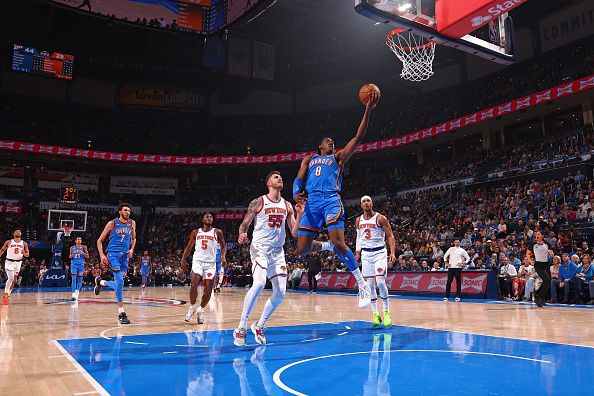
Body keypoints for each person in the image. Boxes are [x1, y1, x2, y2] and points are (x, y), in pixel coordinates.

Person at [293, 91, 380, 309]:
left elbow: (358, 137)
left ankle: (362, 285)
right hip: (312, 203)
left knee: (340, 242)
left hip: (331, 200)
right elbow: (298, 178)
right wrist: (296, 192)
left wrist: (368, 109)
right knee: (301, 250)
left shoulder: (338, 157)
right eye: (327, 141)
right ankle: (327, 246)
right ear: (320, 146)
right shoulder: (309, 159)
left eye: (332, 141)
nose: (331, 142)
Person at [233, 171, 331, 346]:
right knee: (259, 283)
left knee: (281, 293)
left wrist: (300, 213)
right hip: (260, 249)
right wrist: (241, 234)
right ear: (268, 182)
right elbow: (245, 223)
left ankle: (259, 325)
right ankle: (241, 327)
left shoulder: (287, 205)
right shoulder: (259, 201)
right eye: (275, 177)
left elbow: (294, 232)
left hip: (277, 252)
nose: (280, 179)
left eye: (281, 177)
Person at [354, 195, 396, 327]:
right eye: (363, 201)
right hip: (366, 255)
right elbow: (359, 238)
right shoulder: (358, 220)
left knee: (381, 283)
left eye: (368, 201)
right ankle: (375, 315)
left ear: (372, 203)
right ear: (361, 205)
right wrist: (357, 252)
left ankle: (386, 312)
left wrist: (393, 253)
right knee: (370, 286)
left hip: (379, 253)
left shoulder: (380, 218)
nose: (366, 203)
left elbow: (390, 236)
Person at [94, 203, 136, 324]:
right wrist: (102, 255)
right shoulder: (112, 223)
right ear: (119, 212)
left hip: (125, 257)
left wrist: (132, 249)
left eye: (129, 211)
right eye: (125, 210)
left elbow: (134, 238)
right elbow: (99, 241)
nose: (128, 212)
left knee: (119, 283)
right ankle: (121, 313)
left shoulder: (132, 223)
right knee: (121, 282)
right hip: (113, 255)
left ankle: (101, 282)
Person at [181, 213, 227, 324]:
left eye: (211, 217)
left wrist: (223, 257)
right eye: (207, 216)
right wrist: (183, 259)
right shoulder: (196, 232)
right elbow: (189, 247)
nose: (209, 218)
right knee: (194, 283)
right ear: (203, 219)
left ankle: (201, 309)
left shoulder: (217, 232)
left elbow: (224, 246)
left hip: (211, 264)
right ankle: (191, 308)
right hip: (198, 262)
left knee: (208, 291)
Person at [0, 229, 30, 305]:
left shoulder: (24, 243)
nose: (18, 232)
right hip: (9, 262)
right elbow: (2, 250)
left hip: (18, 263)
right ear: (13, 233)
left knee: (14, 280)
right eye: (17, 231)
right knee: (11, 278)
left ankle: (8, 294)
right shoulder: (9, 242)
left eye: (19, 231)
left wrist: (24, 253)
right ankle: (5, 294)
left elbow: (27, 254)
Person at [531, 230, 553, 307]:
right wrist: (530, 260)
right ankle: (538, 298)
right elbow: (527, 253)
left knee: (547, 282)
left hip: (546, 265)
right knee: (547, 280)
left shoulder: (547, 244)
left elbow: (552, 253)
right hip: (538, 265)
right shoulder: (533, 244)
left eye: (538, 234)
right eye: (536, 234)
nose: (537, 235)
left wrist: (551, 253)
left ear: (542, 236)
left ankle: (541, 298)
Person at [69, 237, 89, 301]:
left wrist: (83, 253)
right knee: (74, 278)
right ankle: (73, 294)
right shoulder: (72, 248)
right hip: (73, 265)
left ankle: (77, 292)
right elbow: (70, 256)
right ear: (75, 241)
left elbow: (88, 256)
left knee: (80, 279)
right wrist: (70, 256)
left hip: (81, 265)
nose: (79, 240)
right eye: (78, 239)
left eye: (80, 239)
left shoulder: (84, 247)